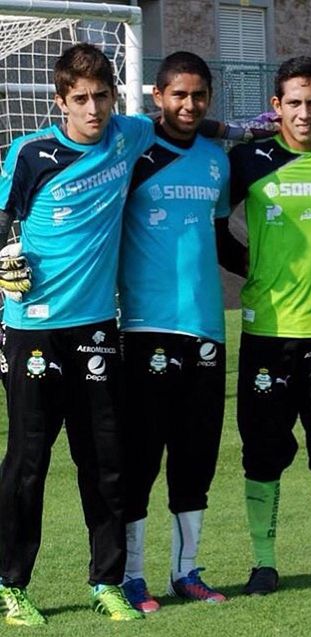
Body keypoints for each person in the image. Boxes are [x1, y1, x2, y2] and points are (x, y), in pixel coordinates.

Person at [0, 43, 156, 625]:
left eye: (102, 97)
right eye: (81, 99)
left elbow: (178, 120)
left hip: (95, 328)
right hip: (32, 330)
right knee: (28, 461)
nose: (94, 109)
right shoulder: (30, 153)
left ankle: (107, 582)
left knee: (105, 461)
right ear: (60, 101)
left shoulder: (127, 135)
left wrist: (247, 126)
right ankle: (10, 586)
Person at [227, 56, 311, 595]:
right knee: (262, 449)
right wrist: (250, 267)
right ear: (276, 107)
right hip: (267, 329)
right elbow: (217, 224)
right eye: (293, 103)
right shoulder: (248, 161)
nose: (304, 113)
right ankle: (263, 563)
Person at [118, 51, 244, 613]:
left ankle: (186, 571)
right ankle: (132, 575)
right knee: (142, 456)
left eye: (199, 96)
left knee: (196, 457)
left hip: (207, 330)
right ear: (157, 97)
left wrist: (268, 272)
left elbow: (220, 242)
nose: (189, 105)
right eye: (178, 95)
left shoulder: (217, 163)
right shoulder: (132, 152)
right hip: (145, 329)